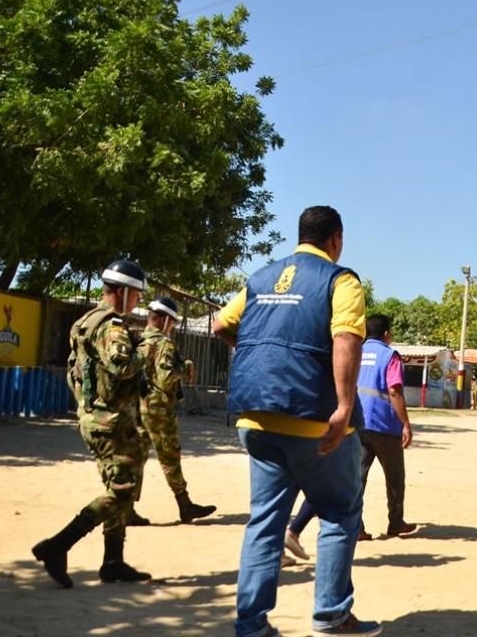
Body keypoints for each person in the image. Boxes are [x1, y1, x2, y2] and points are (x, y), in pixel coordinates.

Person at [213, 206, 381, 637]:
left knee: (264, 523)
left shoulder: (261, 277)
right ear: (336, 239)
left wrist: (260, 354)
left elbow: (220, 325)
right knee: (341, 513)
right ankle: (331, 616)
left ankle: (251, 625)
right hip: (312, 418)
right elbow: (345, 337)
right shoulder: (340, 279)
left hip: (255, 416)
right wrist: (344, 406)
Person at [32, 259, 153, 587]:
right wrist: (147, 349)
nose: (138, 301)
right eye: (137, 295)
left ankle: (113, 561)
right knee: (121, 492)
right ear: (124, 291)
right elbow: (122, 366)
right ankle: (58, 545)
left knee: (118, 488)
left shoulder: (87, 321)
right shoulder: (111, 325)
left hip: (96, 417)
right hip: (111, 421)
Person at [285, 314, 415, 560]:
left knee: (358, 477)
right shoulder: (390, 356)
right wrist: (405, 424)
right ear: (387, 334)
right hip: (385, 425)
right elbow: (395, 391)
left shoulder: (355, 350)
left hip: (358, 422)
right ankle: (395, 522)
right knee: (395, 477)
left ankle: (359, 528)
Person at [127, 296, 216, 526]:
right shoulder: (164, 344)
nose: (173, 327)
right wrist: (183, 366)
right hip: (158, 408)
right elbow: (166, 378)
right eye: (173, 322)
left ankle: (126, 508)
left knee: (137, 457)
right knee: (170, 456)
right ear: (165, 320)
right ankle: (185, 505)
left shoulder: (139, 341)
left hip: (138, 405)